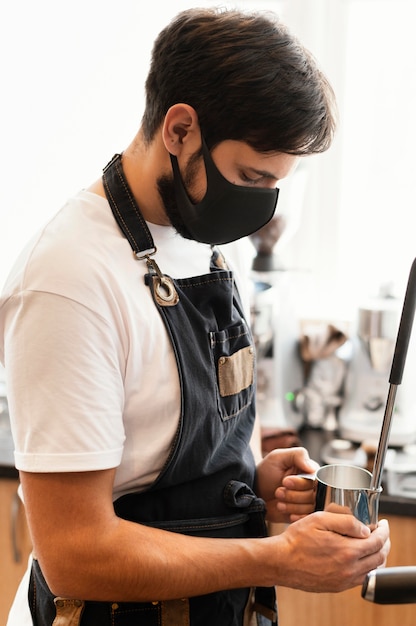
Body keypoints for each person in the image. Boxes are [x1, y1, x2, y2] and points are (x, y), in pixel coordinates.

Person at [0, 7, 390, 626]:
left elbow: (164, 456)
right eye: (249, 178)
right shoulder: (68, 281)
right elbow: (76, 554)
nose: (258, 209)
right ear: (180, 129)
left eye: (274, 186)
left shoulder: (200, 239)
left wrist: (249, 483)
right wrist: (279, 558)